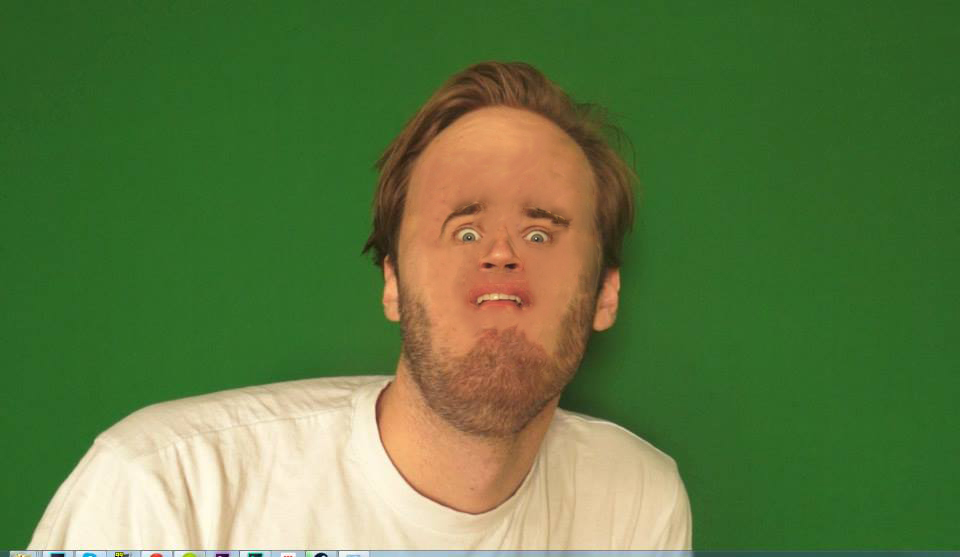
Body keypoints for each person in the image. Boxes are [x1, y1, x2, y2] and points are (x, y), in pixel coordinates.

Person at [28, 61, 692, 550]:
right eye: (464, 230)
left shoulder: (637, 503)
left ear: (605, 294)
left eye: (541, 232)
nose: (500, 252)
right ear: (393, 283)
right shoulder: (164, 490)